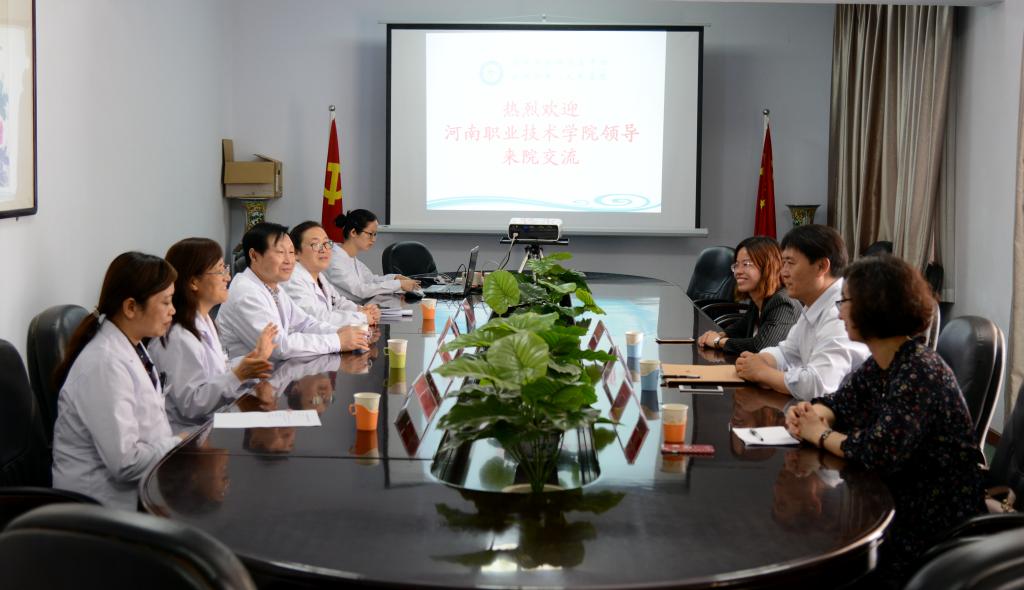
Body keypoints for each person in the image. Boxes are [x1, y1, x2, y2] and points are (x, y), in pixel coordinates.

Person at [785, 255, 984, 579]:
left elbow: (879, 452)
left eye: (845, 301)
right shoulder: (883, 361)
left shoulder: (919, 370)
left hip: (932, 524)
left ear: (875, 306)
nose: (839, 311)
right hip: (895, 502)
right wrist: (811, 413)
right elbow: (841, 402)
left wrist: (819, 434)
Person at [51, 252, 187, 509]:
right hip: (100, 507)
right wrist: (179, 443)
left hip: (141, 487)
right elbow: (126, 464)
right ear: (131, 307)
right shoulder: (105, 364)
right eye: (166, 302)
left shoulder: (132, 344)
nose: (173, 310)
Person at [150, 237, 278, 434]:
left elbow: (216, 372)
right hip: (187, 438)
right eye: (220, 270)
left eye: (225, 269)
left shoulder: (204, 320)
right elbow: (191, 405)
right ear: (193, 282)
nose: (228, 277)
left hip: (210, 426)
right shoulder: (177, 336)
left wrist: (253, 360)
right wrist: (239, 375)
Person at [734, 224, 868, 400]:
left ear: (821, 266)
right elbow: (788, 353)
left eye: (790, 263)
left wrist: (763, 373)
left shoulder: (841, 312)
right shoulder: (814, 304)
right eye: (783, 263)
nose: (783, 273)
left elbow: (817, 385)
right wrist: (762, 359)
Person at [217, 222, 368, 361]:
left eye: (291, 252)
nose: (289, 260)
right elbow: (279, 346)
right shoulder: (246, 292)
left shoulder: (272, 286)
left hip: (272, 372)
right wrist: (337, 341)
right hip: (247, 379)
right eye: (280, 252)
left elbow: (305, 323)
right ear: (254, 255)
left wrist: (340, 332)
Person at [697, 236, 800, 354]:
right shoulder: (759, 298)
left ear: (768, 266)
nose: (738, 271)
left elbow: (761, 346)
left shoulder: (783, 302)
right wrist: (716, 335)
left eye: (746, 264)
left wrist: (717, 341)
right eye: (736, 265)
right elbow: (740, 329)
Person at [282, 221, 381, 327]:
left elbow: (338, 302)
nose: (324, 249)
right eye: (316, 244)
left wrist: (362, 310)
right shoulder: (292, 279)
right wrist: (362, 317)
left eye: (326, 243)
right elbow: (314, 318)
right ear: (296, 253)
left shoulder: (319, 276)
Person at [324, 209, 419, 301]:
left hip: (360, 308)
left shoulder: (351, 258)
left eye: (375, 234)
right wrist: (398, 284)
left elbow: (371, 280)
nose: (373, 239)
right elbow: (361, 290)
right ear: (353, 232)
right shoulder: (334, 260)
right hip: (346, 310)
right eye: (370, 234)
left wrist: (395, 278)